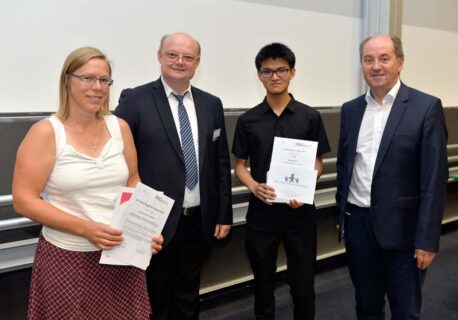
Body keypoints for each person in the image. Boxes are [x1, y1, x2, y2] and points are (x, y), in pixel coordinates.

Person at [12, 47, 164, 319]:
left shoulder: (119, 127)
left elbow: (132, 179)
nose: (97, 87)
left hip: (121, 255)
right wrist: (86, 229)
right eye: (87, 78)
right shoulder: (46, 133)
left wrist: (143, 227)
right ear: (67, 80)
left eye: (104, 80)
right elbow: (24, 200)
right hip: (67, 258)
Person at [114, 32, 233, 320]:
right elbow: (117, 159)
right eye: (172, 55)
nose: (180, 62)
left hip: (199, 220)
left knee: (188, 295)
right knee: (155, 297)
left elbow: (219, 162)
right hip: (153, 222)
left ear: (197, 63)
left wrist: (223, 213)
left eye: (188, 57)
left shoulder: (211, 104)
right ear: (159, 57)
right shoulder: (135, 100)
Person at [336, 35, 448, 319]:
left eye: (384, 58)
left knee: (405, 311)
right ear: (361, 65)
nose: (376, 66)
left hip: (405, 233)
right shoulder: (351, 110)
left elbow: (434, 180)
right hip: (359, 226)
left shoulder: (426, 107)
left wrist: (427, 239)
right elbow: (345, 167)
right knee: (367, 307)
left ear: (400, 62)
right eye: (368, 59)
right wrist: (343, 217)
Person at [232, 43, 331, 320]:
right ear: (259, 75)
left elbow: (318, 161)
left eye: (281, 70)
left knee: (302, 288)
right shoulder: (248, 120)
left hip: (300, 214)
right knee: (263, 287)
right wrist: (254, 187)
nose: (274, 77)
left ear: (292, 73)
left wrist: (305, 185)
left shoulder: (310, 116)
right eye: (267, 71)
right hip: (262, 216)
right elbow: (239, 166)